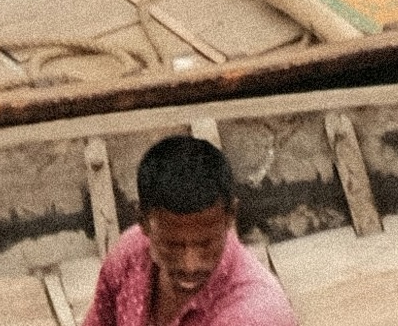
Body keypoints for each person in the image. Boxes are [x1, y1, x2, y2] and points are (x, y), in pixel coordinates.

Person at [82, 134, 299, 326]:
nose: (190, 265)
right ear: (144, 223)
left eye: (206, 244)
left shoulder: (254, 315)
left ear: (230, 216)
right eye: (172, 245)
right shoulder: (129, 256)